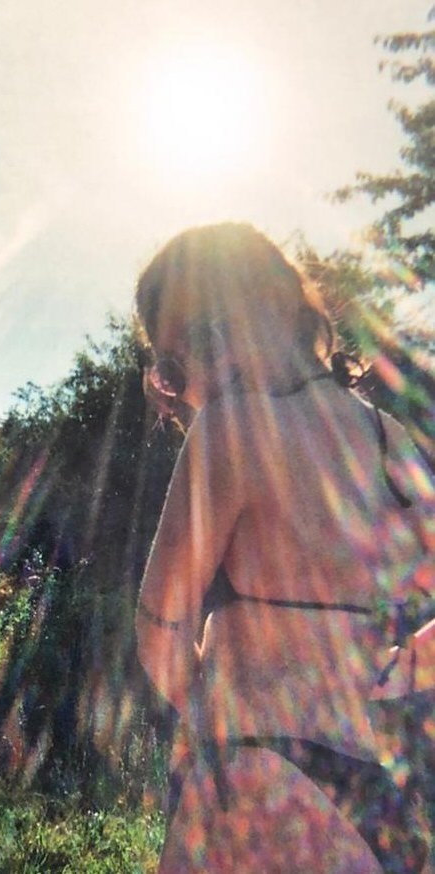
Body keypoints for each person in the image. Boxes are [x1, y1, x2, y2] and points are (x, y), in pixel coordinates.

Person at [133, 223, 434, 873]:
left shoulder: (231, 431)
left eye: (203, 340)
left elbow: (158, 631)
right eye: (172, 371)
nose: (192, 385)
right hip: (369, 800)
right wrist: (393, 672)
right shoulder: (390, 442)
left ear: (270, 304)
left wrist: (206, 715)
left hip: (252, 780)